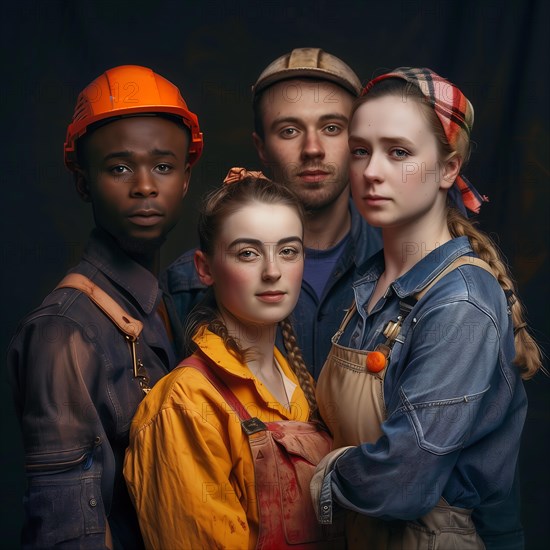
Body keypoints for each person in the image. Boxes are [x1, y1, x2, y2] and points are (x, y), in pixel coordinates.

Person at [310, 68, 543, 549]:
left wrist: (321, 472)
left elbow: (404, 483)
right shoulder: (368, 285)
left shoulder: (460, 303)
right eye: (360, 151)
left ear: (449, 168)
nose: (372, 171)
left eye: (399, 152)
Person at [7, 65, 203, 549]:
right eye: (119, 167)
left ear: (184, 180)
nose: (144, 186)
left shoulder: (165, 304)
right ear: (83, 182)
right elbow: (67, 533)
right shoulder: (64, 333)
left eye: (163, 166)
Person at [124, 168, 341, 549]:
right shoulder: (186, 404)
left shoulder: (300, 387)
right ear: (205, 268)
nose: (273, 272)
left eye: (288, 251)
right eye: (247, 253)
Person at [163, 48, 382, 379]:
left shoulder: (397, 266)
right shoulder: (190, 284)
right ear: (261, 146)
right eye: (289, 130)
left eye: (332, 128)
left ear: (359, 142)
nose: (312, 149)